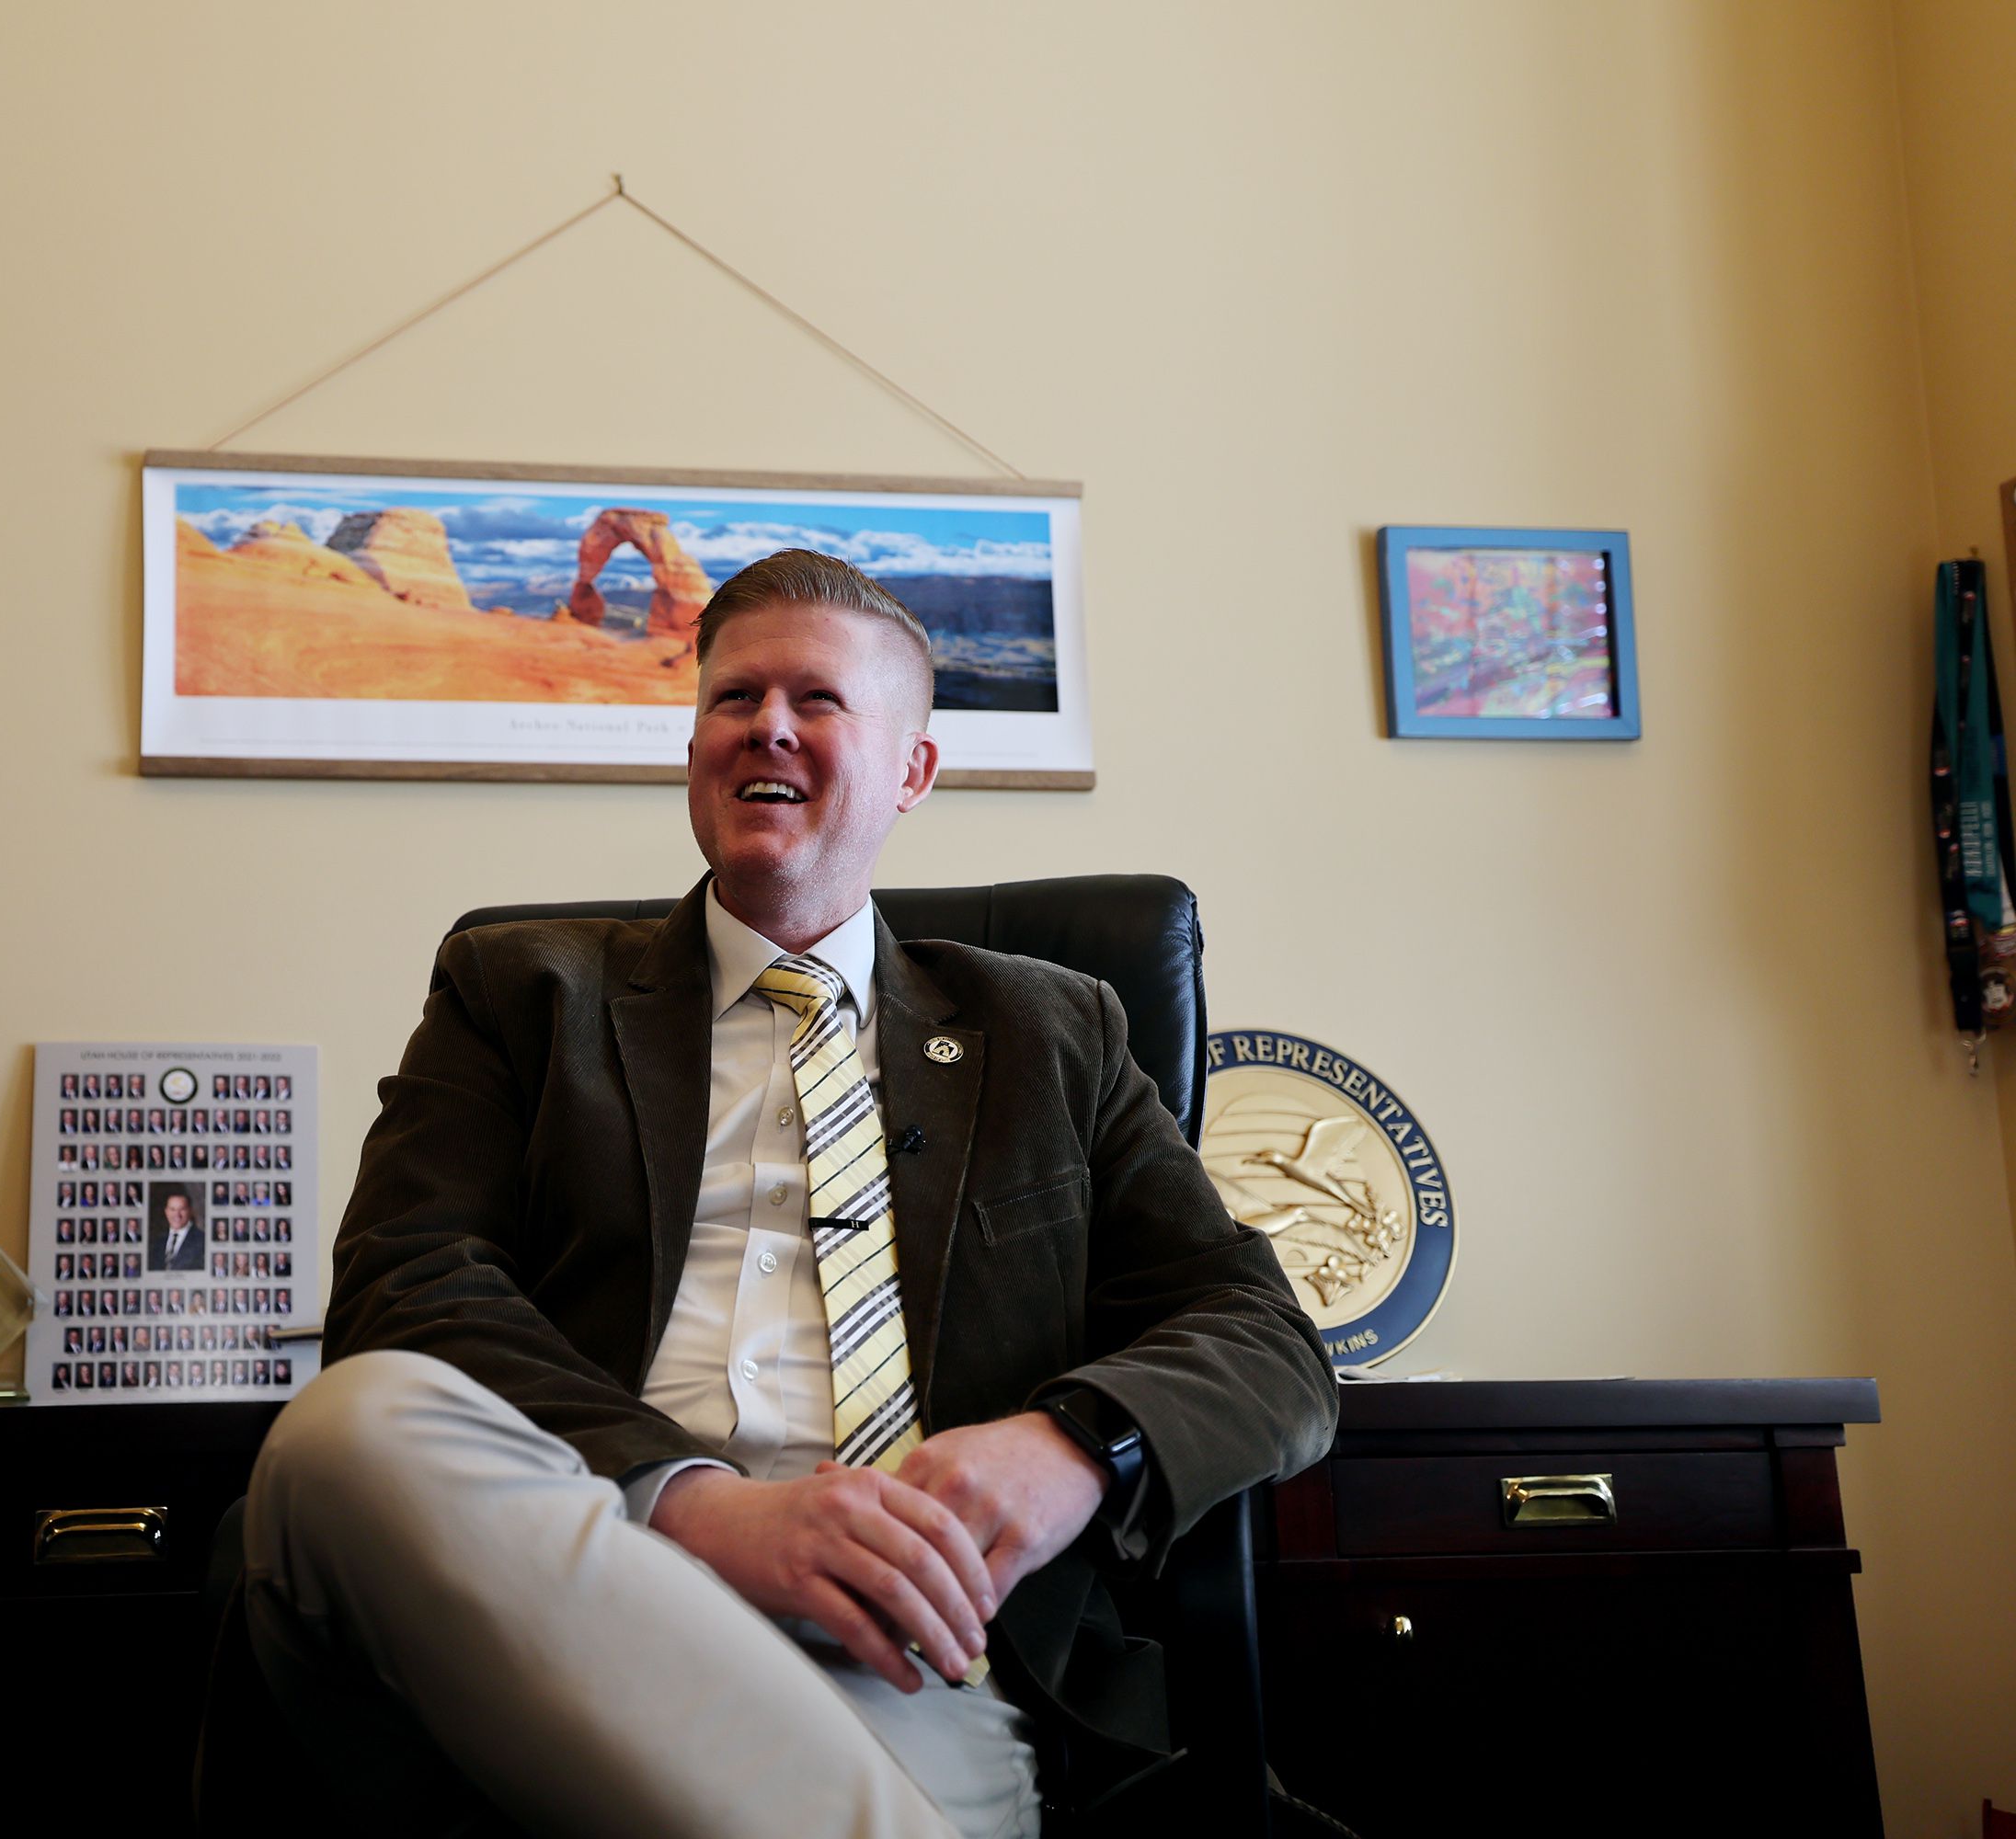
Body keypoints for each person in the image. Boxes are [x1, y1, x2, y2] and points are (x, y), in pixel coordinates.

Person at [246, 550, 1336, 1839]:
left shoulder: (1054, 1032)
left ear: (913, 772)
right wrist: (700, 1507)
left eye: (818, 700)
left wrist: (1074, 1447)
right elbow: (402, 1288)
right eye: (733, 697)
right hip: (592, 1587)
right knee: (348, 1430)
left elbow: (1264, 1339)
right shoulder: (522, 993)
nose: (767, 723)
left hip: (924, 1654)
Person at [152, 1186, 206, 1274]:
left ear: (190, 1211)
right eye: (172, 1209)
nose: (177, 1214)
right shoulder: (158, 1242)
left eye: (182, 1209)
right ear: (166, 1212)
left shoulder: (203, 1240)